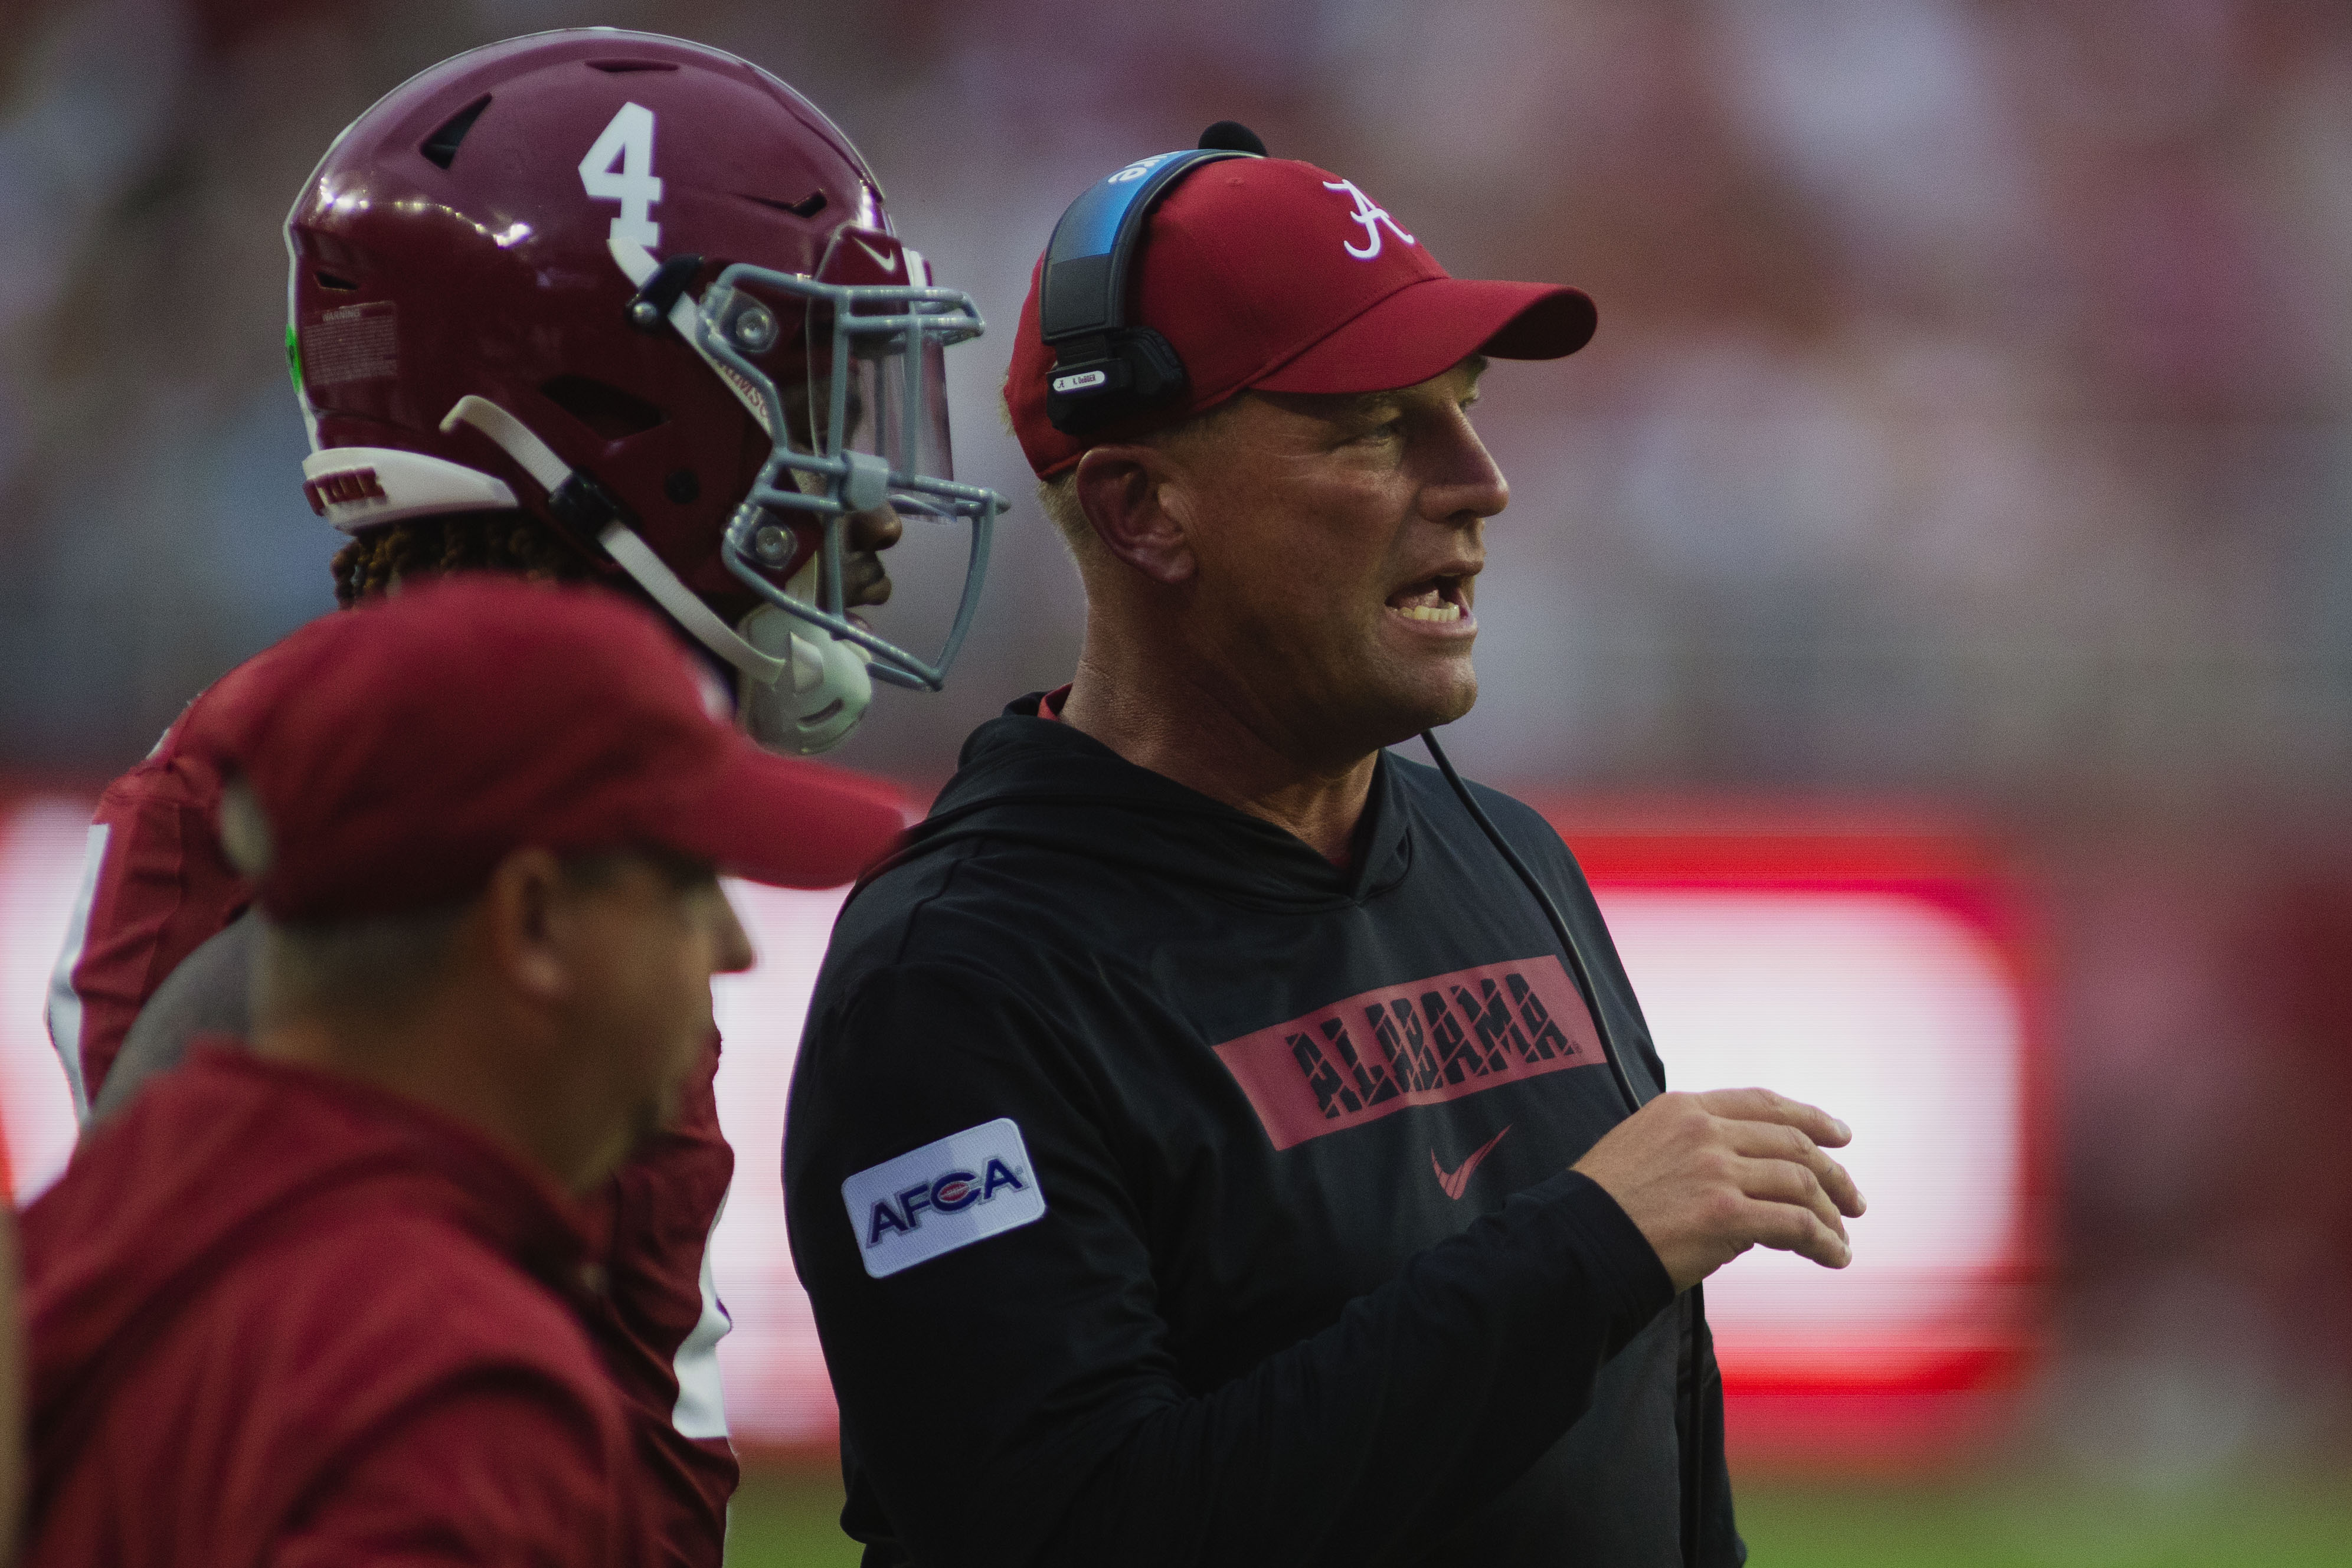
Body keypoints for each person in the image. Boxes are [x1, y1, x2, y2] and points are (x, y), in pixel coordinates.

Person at [784, 132, 1866, 1566]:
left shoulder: (1507, 853)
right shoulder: (959, 979)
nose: (1478, 480)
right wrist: (1582, 1249)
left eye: (1466, 407)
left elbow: (1645, 1452)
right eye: (1372, 427)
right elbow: (1067, 1528)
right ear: (1140, 508)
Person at [40, 30, 1001, 1566]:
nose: (873, 501)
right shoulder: (297, 834)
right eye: (814, 398)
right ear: (619, 404)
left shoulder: (569, 804)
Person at [21, 578, 908, 1566]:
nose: (736, 943)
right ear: (531, 921)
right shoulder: (449, 1391)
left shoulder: (78, 1246)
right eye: (688, 882)